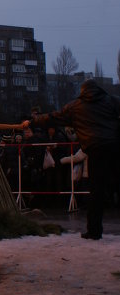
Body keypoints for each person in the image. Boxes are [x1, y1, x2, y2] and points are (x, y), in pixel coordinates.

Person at [25, 79, 120, 239]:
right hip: (115, 146)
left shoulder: (76, 106)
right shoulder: (110, 100)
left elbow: (53, 117)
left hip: (96, 149)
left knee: (96, 190)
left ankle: (94, 231)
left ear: (83, 92)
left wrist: (32, 122)